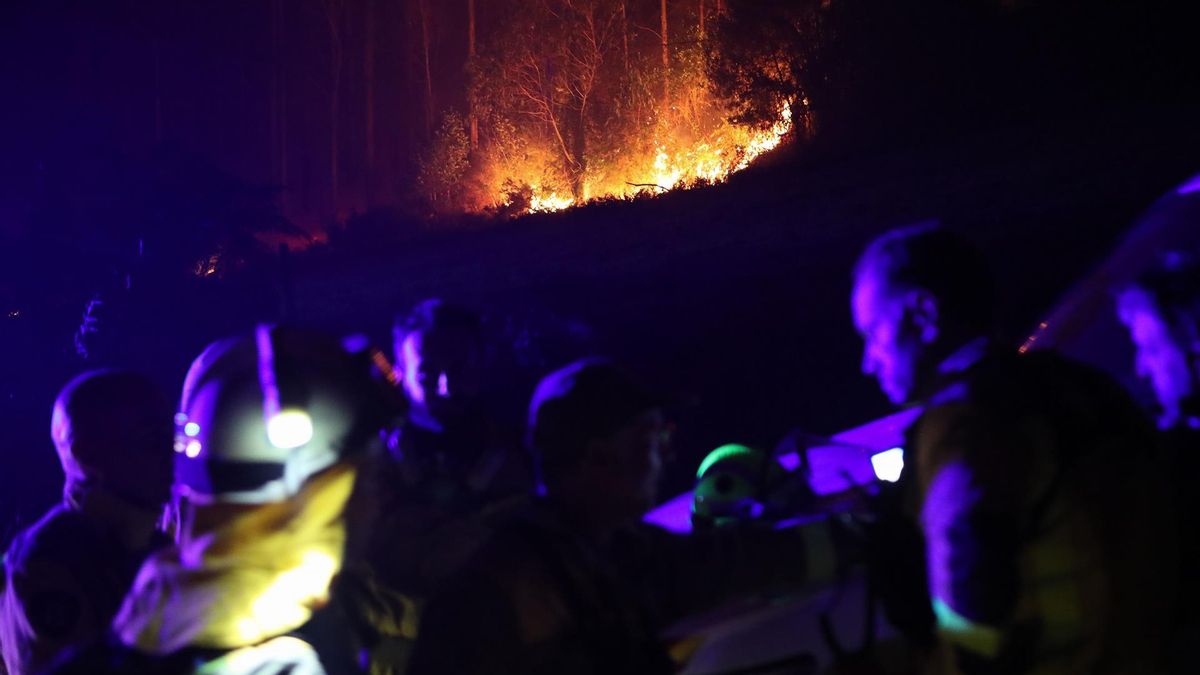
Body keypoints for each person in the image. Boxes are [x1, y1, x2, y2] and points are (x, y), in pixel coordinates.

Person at [851, 223, 1175, 673]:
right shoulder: (1085, 386)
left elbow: (972, 624)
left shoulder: (964, 424)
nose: (869, 363)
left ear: (923, 314)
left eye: (873, 333)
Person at [409, 358, 836, 675]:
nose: (667, 453)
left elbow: (721, 562)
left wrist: (845, 537)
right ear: (597, 458)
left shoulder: (616, 547)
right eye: (652, 436)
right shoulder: (498, 589)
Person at [51, 325, 404, 674]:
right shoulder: (281, 659)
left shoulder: (161, 610)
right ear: (319, 495)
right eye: (369, 476)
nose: (381, 499)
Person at [0, 370, 172, 675]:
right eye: (150, 439)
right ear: (86, 454)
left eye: (170, 437)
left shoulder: (153, 544)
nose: (169, 454)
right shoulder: (49, 561)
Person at [370, 300, 531, 602]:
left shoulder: (518, 449)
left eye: (460, 368)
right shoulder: (373, 458)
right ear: (401, 372)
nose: (447, 387)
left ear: (482, 363)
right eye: (428, 374)